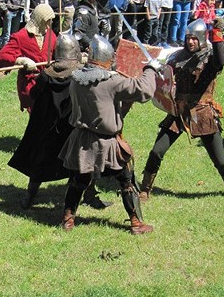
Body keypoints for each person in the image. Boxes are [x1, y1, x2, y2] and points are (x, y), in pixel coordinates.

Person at [59, 35, 158, 234]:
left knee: (79, 181)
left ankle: (68, 220)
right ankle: (136, 223)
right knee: (126, 181)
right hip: (106, 143)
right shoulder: (110, 82)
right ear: (106, 59)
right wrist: (150, 69)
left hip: (81, 140)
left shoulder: (76, 78)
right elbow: (144, 91)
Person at [139, 19, 224, 203]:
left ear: (201, 38)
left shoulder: (210, 58)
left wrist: (217, 33)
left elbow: (221, 60)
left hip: (202, 113)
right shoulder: (177, 56)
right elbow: (165, 77)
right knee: (156, 151)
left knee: (219, 158)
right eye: (188, 38)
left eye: (194, 38)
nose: (190, 42)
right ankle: (145, 189)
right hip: (178, 111)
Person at [9, 32, 82, 208]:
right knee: (76, 162)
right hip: (69, 127)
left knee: (41, 164)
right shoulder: (78, 76)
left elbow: (34, 94)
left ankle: (30, 196)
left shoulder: (46, 75)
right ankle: (78, 198)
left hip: (48, 128)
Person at [0, 4, 56, 112]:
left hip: (47, 84)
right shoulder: (21, 36)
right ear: (39, 20)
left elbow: (59, 52)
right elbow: (2, 55)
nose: (48, 26)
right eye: (46, 22)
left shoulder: (50, 34)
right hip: (30, 85)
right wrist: (21, 60)